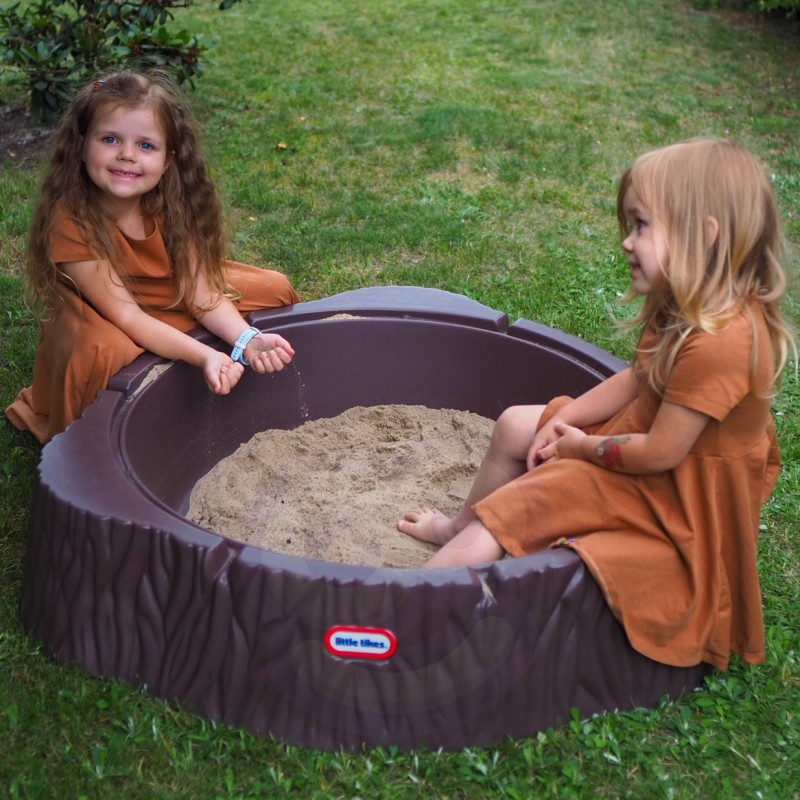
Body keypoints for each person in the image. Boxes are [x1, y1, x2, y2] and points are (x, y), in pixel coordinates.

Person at [398, 138, 795, 671]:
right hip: (644, 446)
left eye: (642, 226)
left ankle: (403, 612)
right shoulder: (688, 303)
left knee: (518, 507)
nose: (628, 242)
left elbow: (660, 453)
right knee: (517, 425)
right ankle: (454, 530)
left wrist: (579, 448)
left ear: (704, 235)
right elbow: (639, 377)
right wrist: (567, 417)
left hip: (672, 490)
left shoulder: (721, 343)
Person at [6, 71, 300, 444]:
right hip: (103, 312)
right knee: (100, 350)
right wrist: (204, 356)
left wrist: (247, 341)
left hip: (167, 293)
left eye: (146, 145)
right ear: (81, 144)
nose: (127, 155)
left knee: (274, 289)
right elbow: (127, 315)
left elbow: (202, 295)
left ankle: (247, 384)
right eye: (110, 139)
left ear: (167, 160)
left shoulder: (174, 202)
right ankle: (94, 444)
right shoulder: (71, 219)